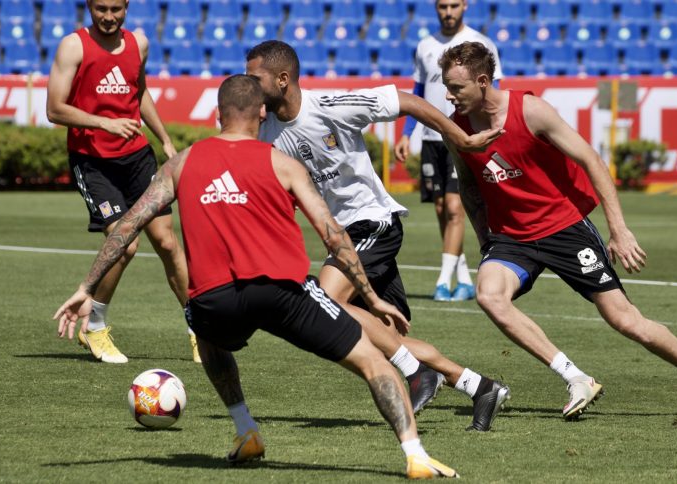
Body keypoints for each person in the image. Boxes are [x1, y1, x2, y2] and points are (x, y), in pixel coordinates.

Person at [54, 75, 460, 479]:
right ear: (262, 112)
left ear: (218, 114)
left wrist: (87, 287)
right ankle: (415, 455)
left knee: (207, 335)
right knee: (375, 364)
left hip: (215, 299)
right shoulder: (282, 163)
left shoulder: (181, 163)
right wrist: (371, 297)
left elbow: (128, 224)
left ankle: (246, 429)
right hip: (281, 292)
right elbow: (335, 236)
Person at [438, 41, 677, 420]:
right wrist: (485, 238)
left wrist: (619, 230)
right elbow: (468, 184)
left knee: (626, 320)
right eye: (446, 86)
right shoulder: (455, 129)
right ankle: (575, 377)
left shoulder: (532, 111)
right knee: (489, 295)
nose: (449, 95)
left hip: (564, 227)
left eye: (456, 87)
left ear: (482, 81)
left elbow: (591, 160)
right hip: (512, 238)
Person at [246, 40, 510, 431]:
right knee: (382, 341)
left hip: (373, 225)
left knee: (324, 301)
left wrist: (460, 138)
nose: (249, 85)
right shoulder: (265, 133)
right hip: (344, 238)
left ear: (283, 79)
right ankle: (479, 386)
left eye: (256, 77)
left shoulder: (331, 108)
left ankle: (417, 374)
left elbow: (406, 101)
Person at [46, 0, 200, 364]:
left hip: (137, 158)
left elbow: (139, 91)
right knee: (125, 246)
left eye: (116, 8)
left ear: (127, 7)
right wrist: (104, 123)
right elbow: (54, 108)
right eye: (101, 8)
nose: (109, 16)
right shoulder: (74, 46)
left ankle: (199, 329)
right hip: (94, 162)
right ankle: (94, 327)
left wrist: (163, 138)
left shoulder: (139, 44)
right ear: (88, 6)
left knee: (166, 241)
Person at [395, 0, 504, 302]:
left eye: (454, 5)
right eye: (443, 6)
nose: (448, 11)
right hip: (433, 139)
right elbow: (417, 93)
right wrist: (407, 133)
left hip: (465, 137)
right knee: (443, 210)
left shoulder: (481, 45)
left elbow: (494, 92)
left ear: (465, 6)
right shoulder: (425, 46)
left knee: (456, 208)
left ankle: (443, 281)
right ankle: (465, 279)